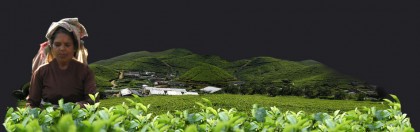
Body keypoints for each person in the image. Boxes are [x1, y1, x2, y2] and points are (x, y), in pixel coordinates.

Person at [26, 18, 98, 108]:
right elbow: (32, 103)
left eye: (67, 45)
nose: (62, 49)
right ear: (51, 47)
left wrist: (73, 108)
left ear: (75, 47)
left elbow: (92, 101)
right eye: (57, 44)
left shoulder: (85, 72)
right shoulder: (41, 72)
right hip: (48, 119)